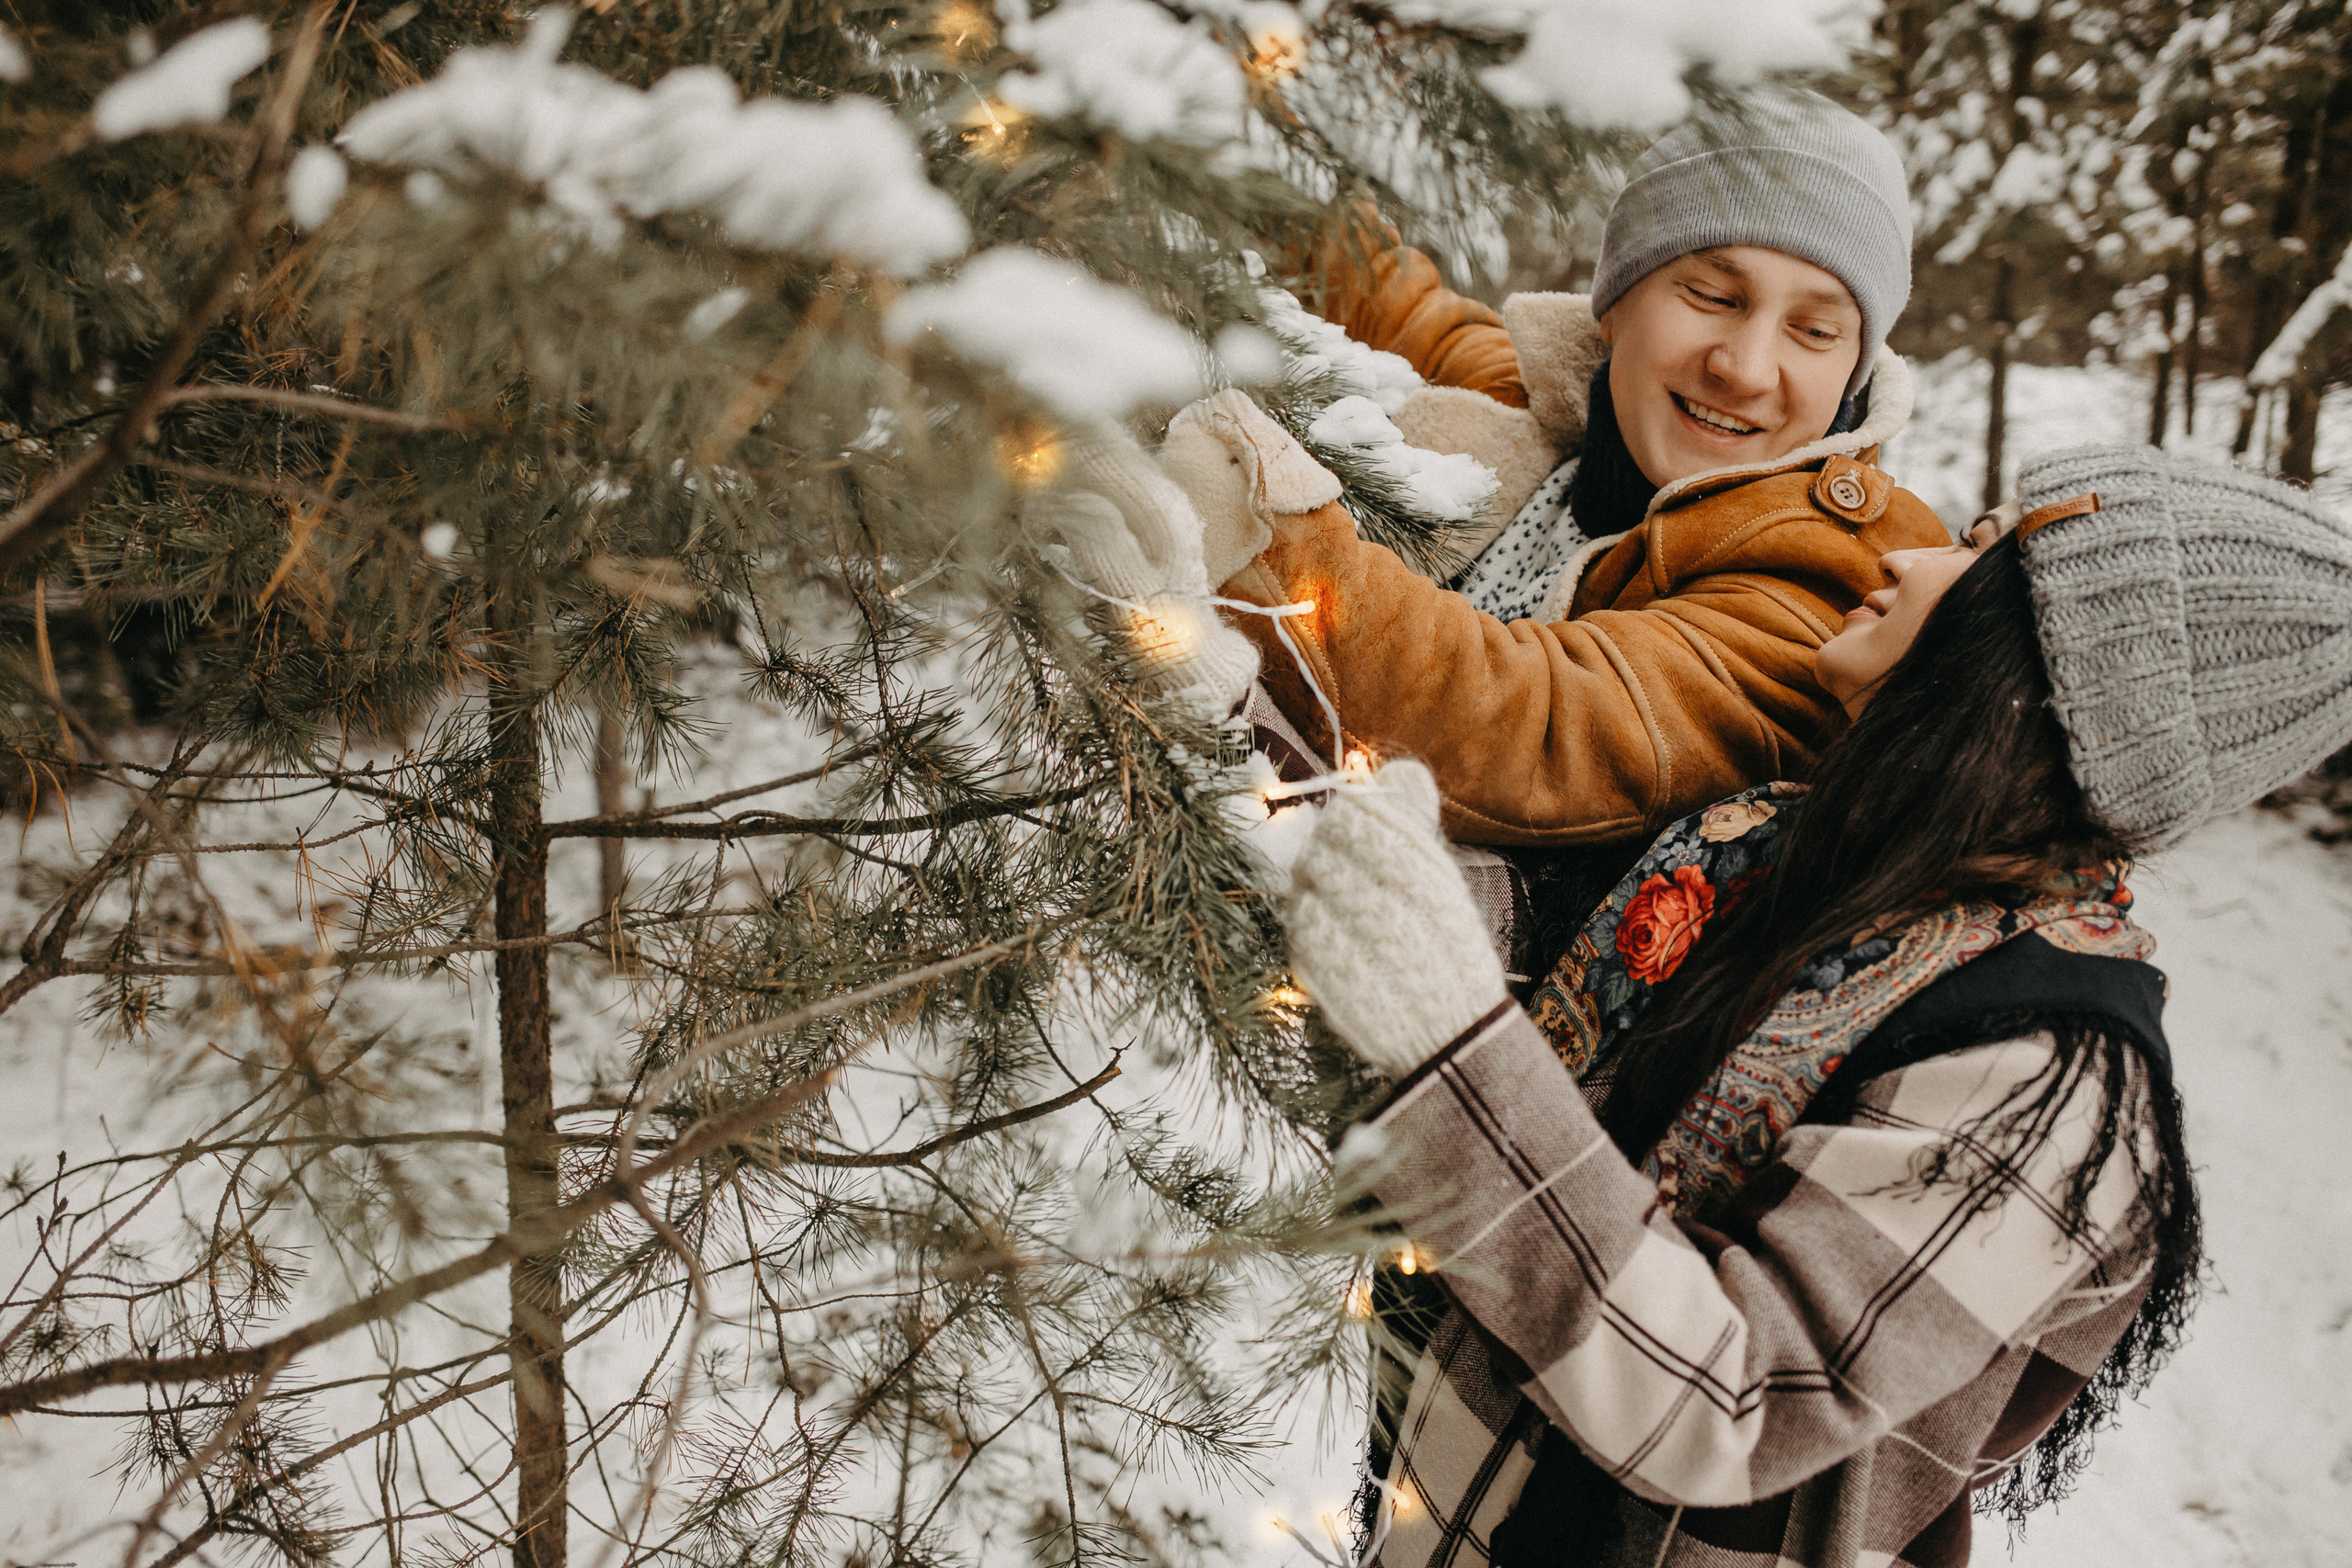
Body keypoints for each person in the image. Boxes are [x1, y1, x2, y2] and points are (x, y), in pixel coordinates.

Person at [1274, 444, 2352, 1568]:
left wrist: (1451, 1051)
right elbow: (1477, 959)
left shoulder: (2050, 1075)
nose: (1911, 555)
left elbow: (1722, 1407)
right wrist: (1238, 700)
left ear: (2047, 667)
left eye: (1975, 549)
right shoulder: (1784, 851)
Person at [1136, 90, 1951, 966]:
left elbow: (1527, 723)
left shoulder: (1824, 584)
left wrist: (1269, 531)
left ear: (1854, 372)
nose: (1745, 367)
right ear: (1616, 304)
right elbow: (1387, 294)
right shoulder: (1551, 419)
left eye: (1815, 330)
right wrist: (1213, 103)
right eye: (1711, 293)